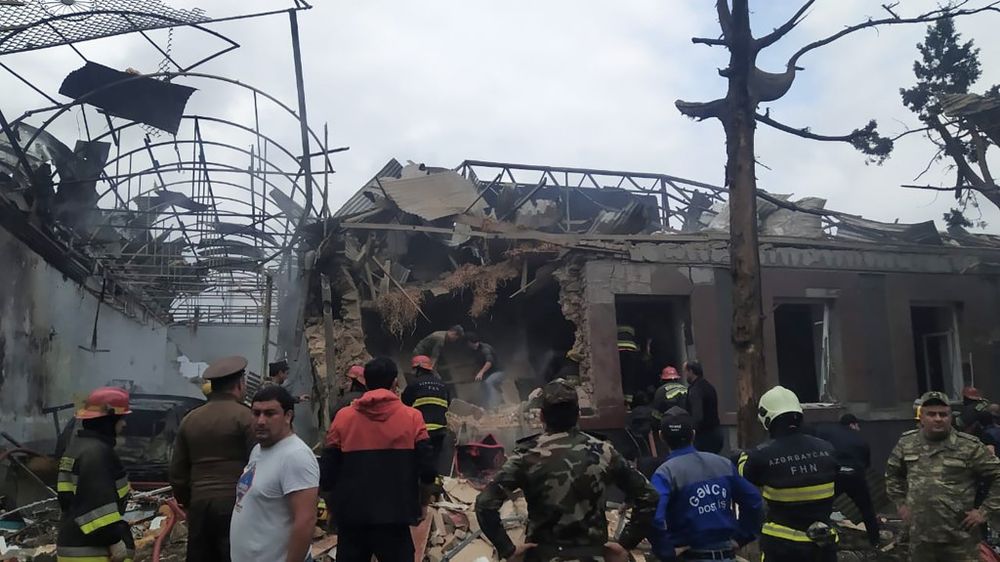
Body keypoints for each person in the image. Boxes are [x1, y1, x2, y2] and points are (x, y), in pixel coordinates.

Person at [475, 379, 658, 562]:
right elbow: (648, 496)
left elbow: (485, 503)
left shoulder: (526, 455)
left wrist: (508, 549)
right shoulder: (603, 451)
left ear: (541, 417)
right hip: (592, 556)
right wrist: (625, 544)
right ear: (578, 414)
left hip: (543, 556)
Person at [320, 357, 438, 562]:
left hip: (352, 519)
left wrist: (332, 510)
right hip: (397, 519)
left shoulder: (343, 417)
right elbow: (427, 469)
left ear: (366, 381)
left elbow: (328, 472)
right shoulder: (413, 417)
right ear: (394, 383)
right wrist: (423, 503)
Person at [885, 390, 1000, 562]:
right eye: (931, 414)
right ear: (921, 417)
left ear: (950, 417)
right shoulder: (906, 444)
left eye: (943, 414)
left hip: (960, 539)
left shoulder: (969, 446)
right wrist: (901, 504)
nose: (938, 418)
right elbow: (893, 475)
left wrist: (985, 511)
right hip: (920, 539)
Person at [737, 385, 838, 562]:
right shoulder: (828, 449)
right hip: (823, 544)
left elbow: (744, 475)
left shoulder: (759, 456)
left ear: (766, 418)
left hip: (782, 547)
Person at [170, 356, 255, 562]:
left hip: (199, 505)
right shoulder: (246, 417)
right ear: (239, 385)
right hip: (236, 506)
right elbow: (257, 465)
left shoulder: (190, 419)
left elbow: (177, 473)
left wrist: (188, 503)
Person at [649, 407, 763, 561]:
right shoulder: (723, 464)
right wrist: (742, 538)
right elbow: (754, 500)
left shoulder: (665, 474)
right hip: (726, 555)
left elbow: (655, 517)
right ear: (693, 435)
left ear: (661, 437)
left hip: (690, 555)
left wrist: (665, 551)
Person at [230, 385, 319, 562]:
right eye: (256, 413)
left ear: (288, 416)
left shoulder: (295, 456)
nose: (261, 421)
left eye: (270, 414)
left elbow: (305, 521)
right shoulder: (258, 450)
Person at [56, 387, 135, 562]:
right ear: (109, 419)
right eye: (121, 419)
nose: (124, 424)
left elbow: (68, 500)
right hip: (93, 551)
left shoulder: (76, 448)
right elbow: (98, 504)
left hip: (73, 543)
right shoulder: (96, 453)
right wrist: (114, 540)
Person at [813, 413, 879, 547]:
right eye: (857, 426)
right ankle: (875, 541)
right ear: (852, 424)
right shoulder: (861, 441)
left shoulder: (827, 431)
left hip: (835, 475)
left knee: (822, 506)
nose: (858, 429)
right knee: (867, 509)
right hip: (855, 476)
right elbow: (866, 465)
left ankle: (817, 536)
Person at [402, 355, 451, 466]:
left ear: (418, 369)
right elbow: (448, 403)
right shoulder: (443, 385)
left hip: (421, 431)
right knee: (435, 462)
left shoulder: (414, 385)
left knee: (419, 463)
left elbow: (405, 405)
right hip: (440, 432)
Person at [683, 361, 722, 454]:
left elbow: (697, 416)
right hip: (716, 433)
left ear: (691, 371)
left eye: (685, 372)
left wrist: (690, 434)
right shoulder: (708, 386)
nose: (685, 375)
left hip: (703, 438)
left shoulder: (695, 390)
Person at [467, 332, 505, 409]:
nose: (474, 345)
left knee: (488, 383)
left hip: (499, 372)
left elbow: (489, 362)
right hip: (489, 374)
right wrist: (475, 373)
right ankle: (486, 407)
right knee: (482, 386)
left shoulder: (485, 348)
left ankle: (493, 406)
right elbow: (478, 364)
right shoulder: (475, 351)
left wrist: (481, 373)